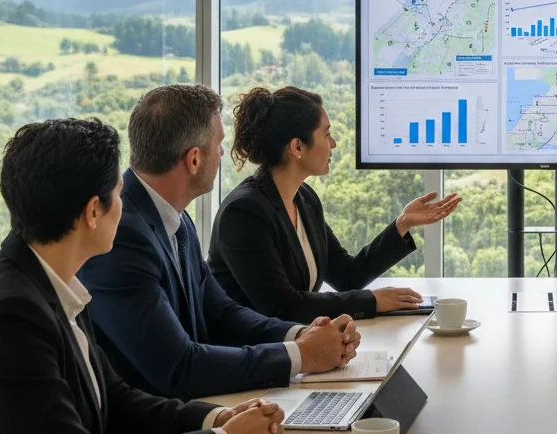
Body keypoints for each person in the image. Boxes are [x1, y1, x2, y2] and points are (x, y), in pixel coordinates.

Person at [0, 119, 285, 434]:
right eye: (118, 193)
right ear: (92, 211)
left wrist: (214, 419)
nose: (125, 204)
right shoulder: (11, 312)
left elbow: (117, 398)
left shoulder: (52, 284)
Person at [80, 85, 360, 400]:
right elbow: (179, 368)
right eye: (219, 144)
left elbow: (221, 312)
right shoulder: (122, 236)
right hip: (153, 429)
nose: (223, 153)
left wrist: (301, 336)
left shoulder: (174, 218)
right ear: (194, 160)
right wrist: (302, 356)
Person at [209, 86, 462, 322]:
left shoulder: (305, 198)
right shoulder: (243, 214)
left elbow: (347, 275)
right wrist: (372, 301)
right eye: (326, 134)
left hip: (290, 350)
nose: (333, 144)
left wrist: (402, 224)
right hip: (249, 357)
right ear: (297, 146)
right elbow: (282, 307)